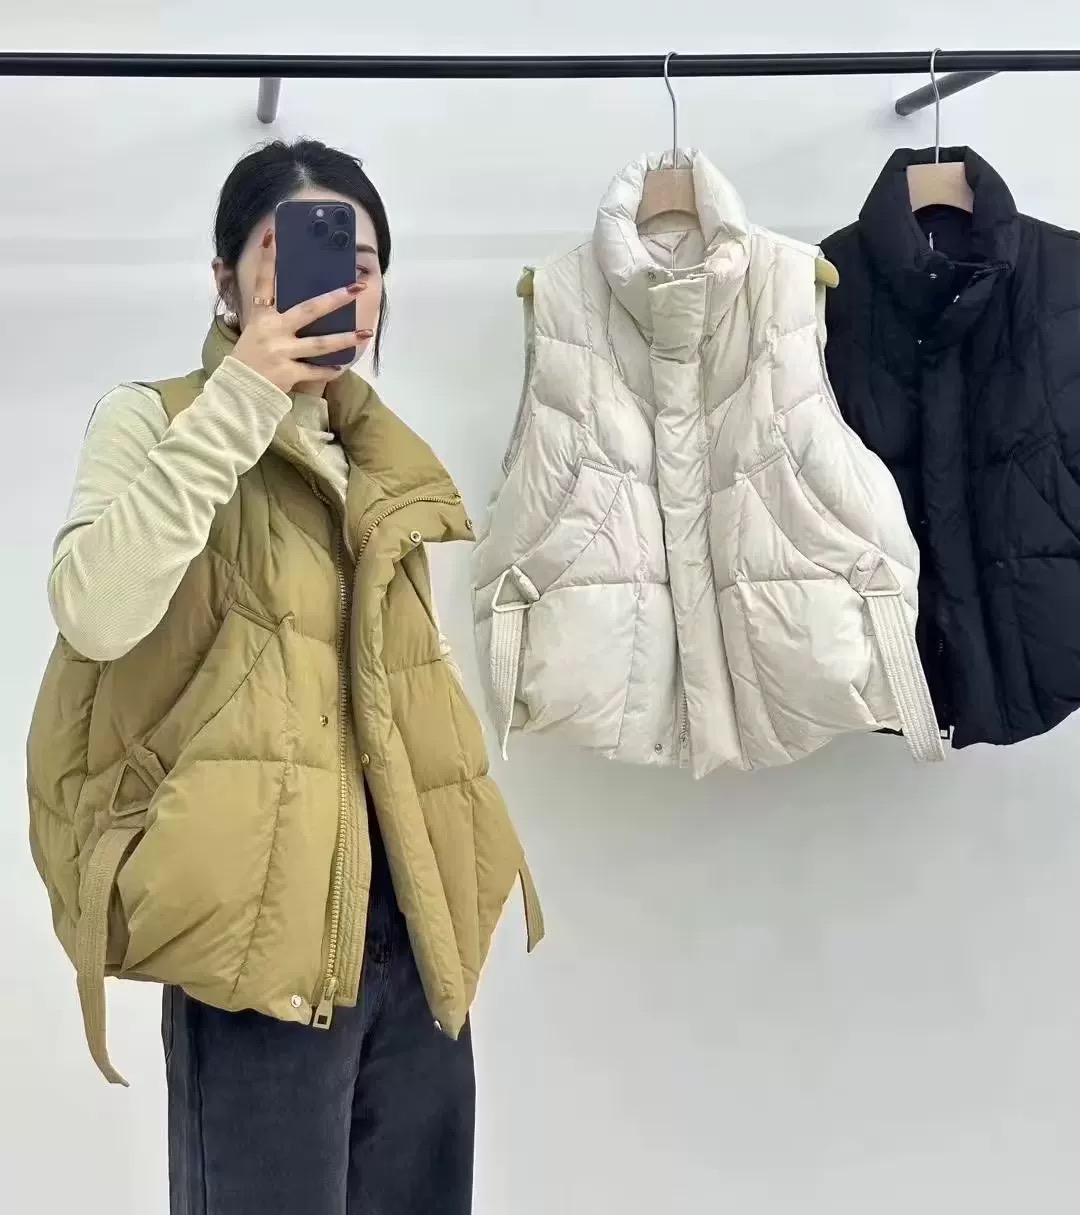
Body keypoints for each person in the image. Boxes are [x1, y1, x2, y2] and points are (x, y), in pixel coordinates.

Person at [26, 139, 542, 1215]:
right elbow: (96, 610)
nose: (340, 278)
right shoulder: (158, 418)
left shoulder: (381, 459)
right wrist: (243, 399)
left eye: (364, 260)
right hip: (256, 946)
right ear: (227, 280)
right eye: (295, 250)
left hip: (413, 938)